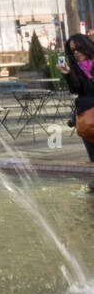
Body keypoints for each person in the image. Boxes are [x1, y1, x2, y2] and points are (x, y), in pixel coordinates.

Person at [58, 34, 94, 185]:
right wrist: (68, 75)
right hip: (88, 120)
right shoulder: (74, 69)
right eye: (72, 51)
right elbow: (75, 89)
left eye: (78, 48)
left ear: (86, 46)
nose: (76, 53)